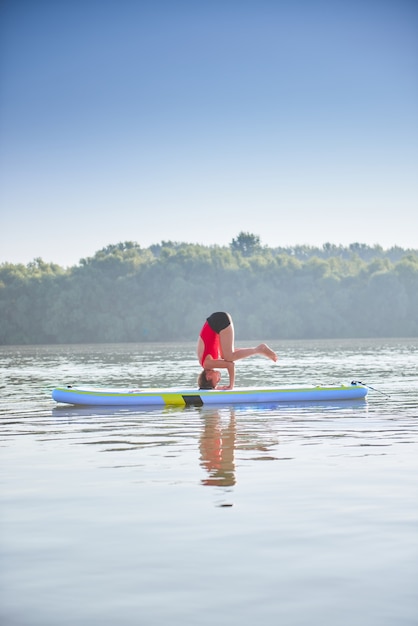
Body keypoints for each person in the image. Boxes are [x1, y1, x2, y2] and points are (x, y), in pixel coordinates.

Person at [197, 312, 278, 390]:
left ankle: (259, 349)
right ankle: (258, 349)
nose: (219, 379)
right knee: (226, 355)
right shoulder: (207, 362)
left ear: (208, 377)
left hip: (219, 322)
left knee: (228, 357)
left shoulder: (207, 364)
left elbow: (230, 365)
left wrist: (230, 386)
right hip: (217, 321)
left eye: (217, 381)